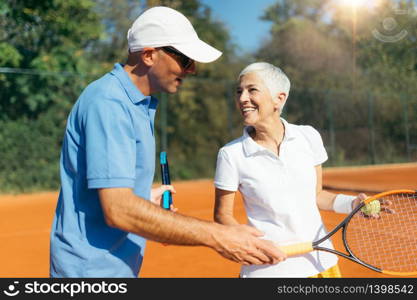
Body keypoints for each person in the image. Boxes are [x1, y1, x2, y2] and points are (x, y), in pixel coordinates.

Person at [49, 7, 286, 278]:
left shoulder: (137, 103)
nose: (193, 70)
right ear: (149, 54)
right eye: (185, 60)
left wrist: (143, 200)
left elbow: (114, 194)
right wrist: (219, 236)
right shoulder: (109, 103)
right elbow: (118, 209)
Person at [213, 62, 372, 278]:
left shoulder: (308, 136)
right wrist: (255, 245)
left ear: (279, 98)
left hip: (322, 264)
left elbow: (316, 196)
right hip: (268, 271)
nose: (242, 99)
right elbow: (223, 215)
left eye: (252, 90)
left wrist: (352, 204)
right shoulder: (231, 154)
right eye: (239, 91)